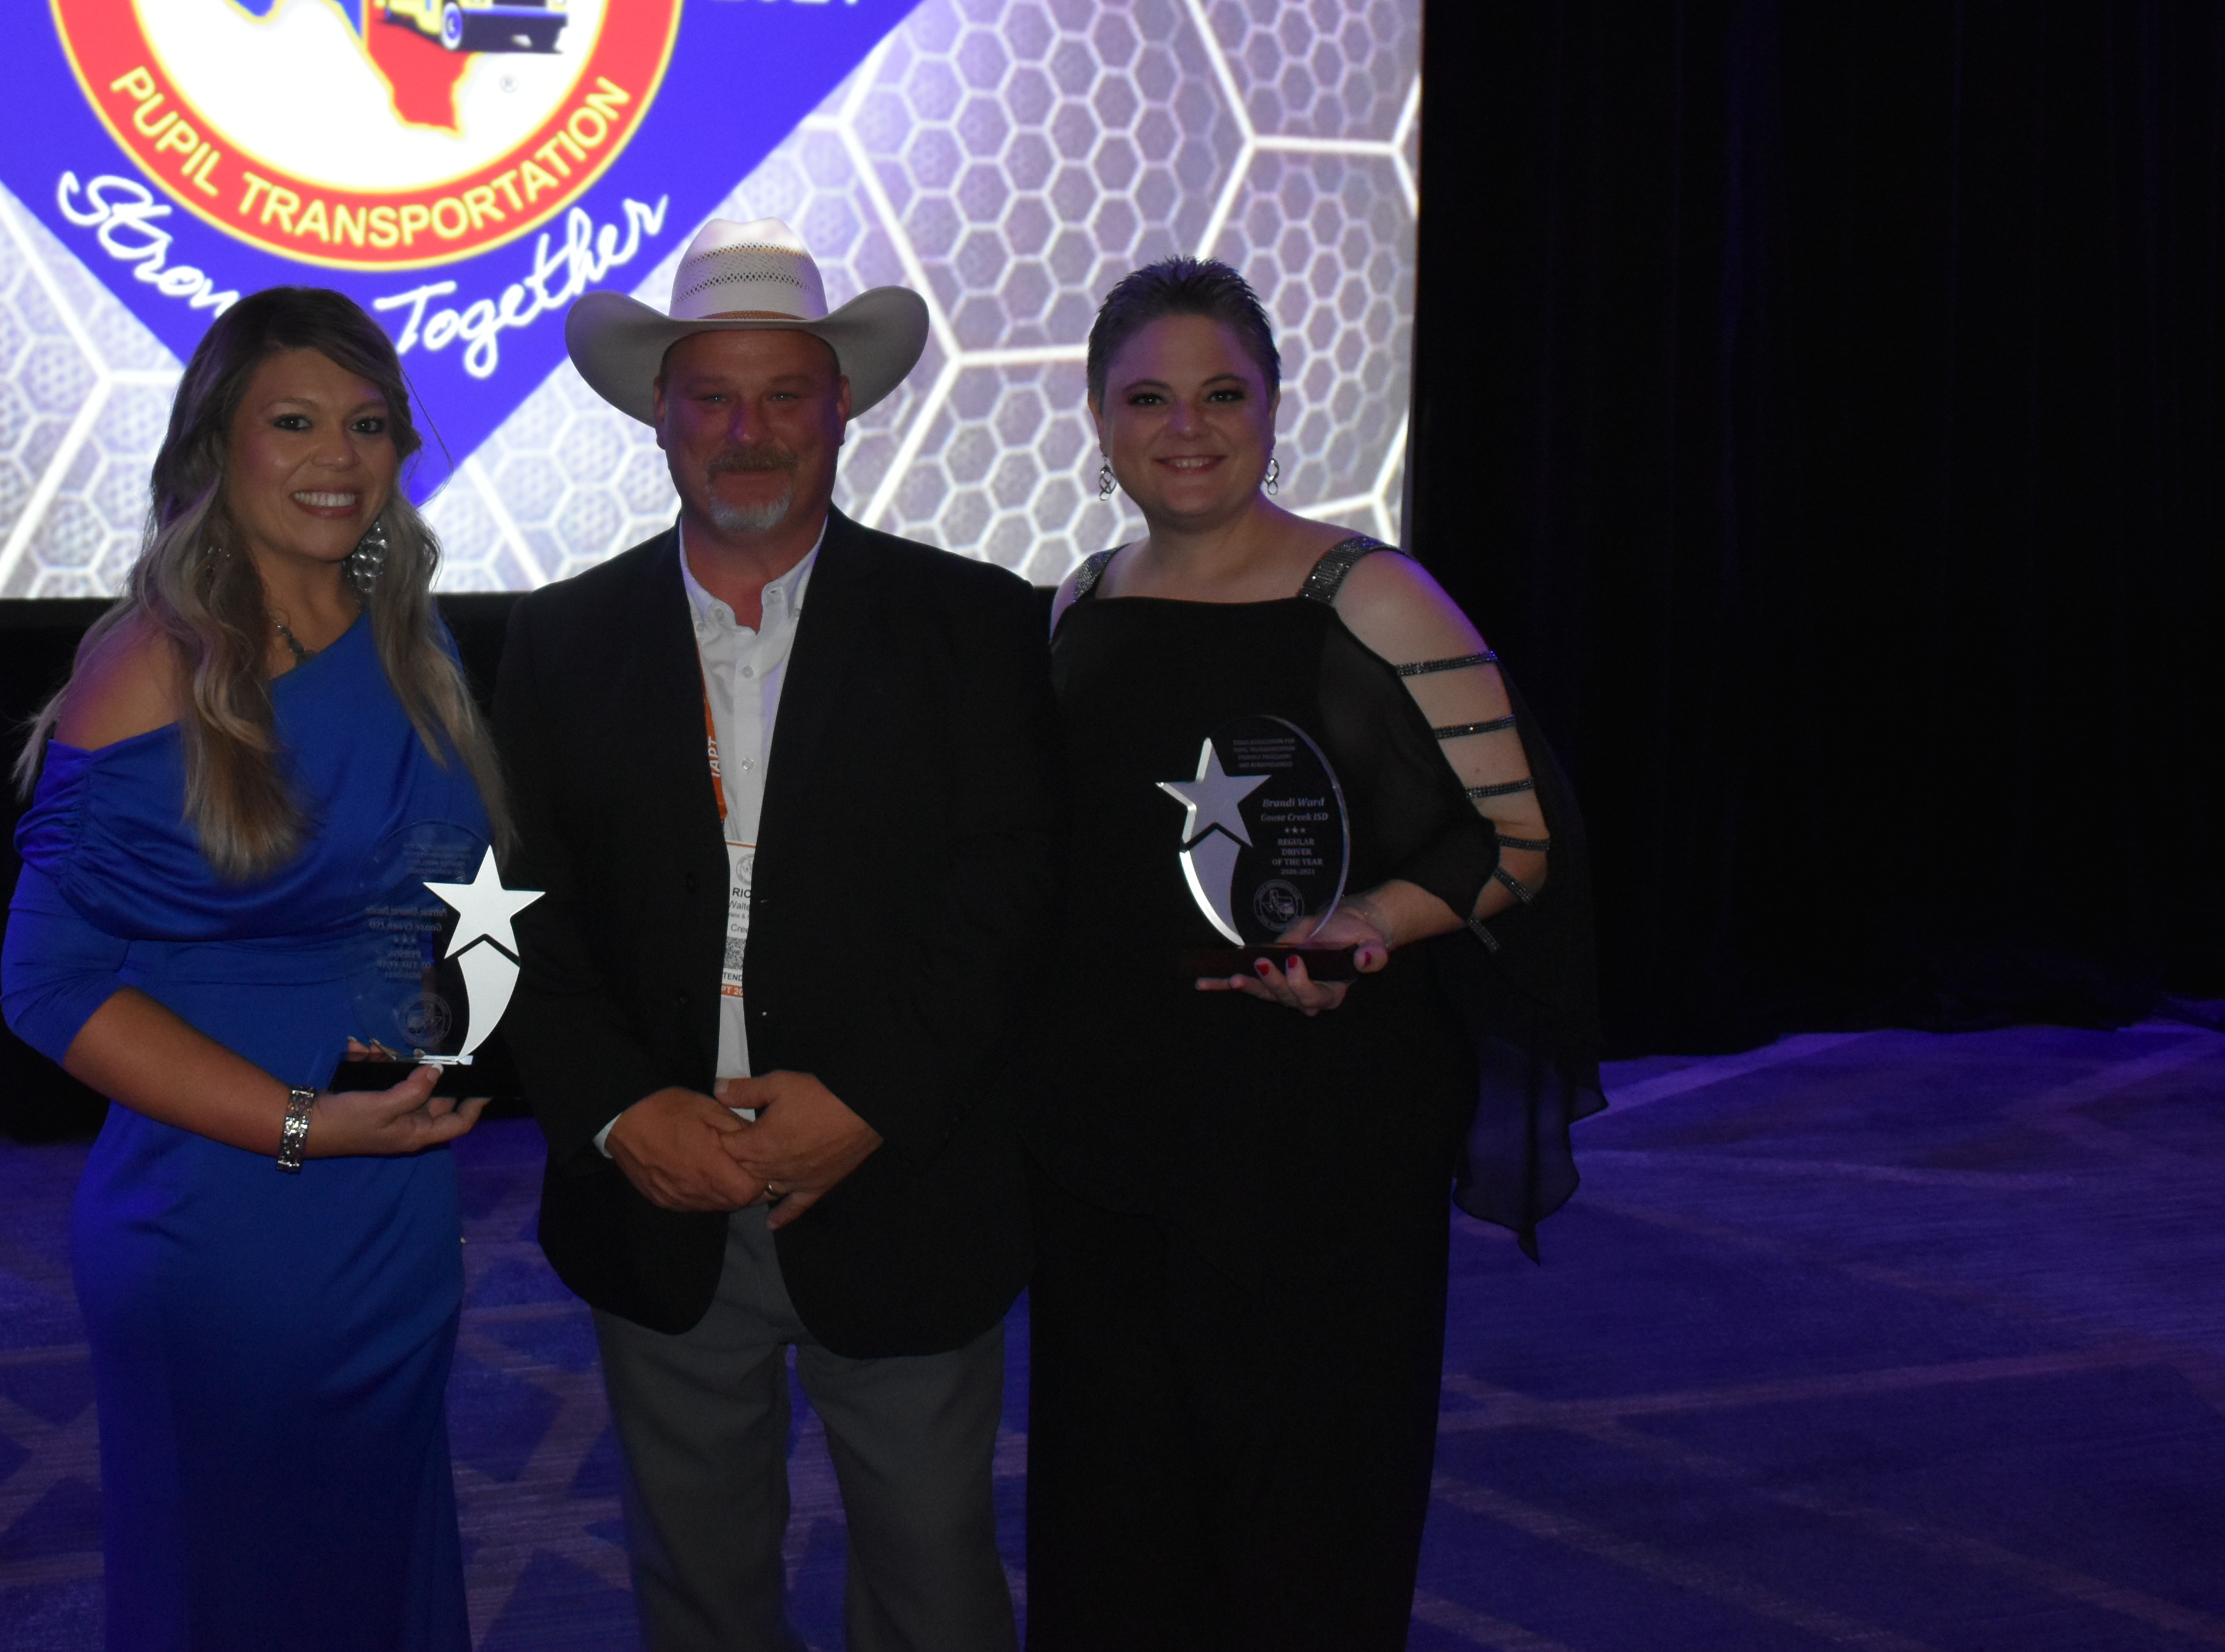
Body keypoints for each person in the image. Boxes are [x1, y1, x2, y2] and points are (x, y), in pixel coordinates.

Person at [491, 218, 1056, 1652]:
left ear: (841, 409)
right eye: (712, 396)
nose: (748, 430)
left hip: (900, 1175)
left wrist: (869, 1101)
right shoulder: (556, 641)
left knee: (936, 1580)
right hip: (658, 1187)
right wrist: (619, 1111)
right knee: (697, 1583)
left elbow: (1009, 896)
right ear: (659, 417)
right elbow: (503, 912)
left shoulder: (977, 622)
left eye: (785, 393)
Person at [1024, 256, 1605, 1652]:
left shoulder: (1372, 594)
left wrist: (1373, 921)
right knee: (1117, 1519)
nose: (1188, 425)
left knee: (1308, 1518)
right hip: (1111, 1132)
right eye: (1147, 395)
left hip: (1319, 1127)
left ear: (1276, 408)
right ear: (1098, 420)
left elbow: (1523, 839)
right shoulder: (1075, 605)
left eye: (1224, 392)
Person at [0, 287, 505, 1652]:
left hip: (389, 1203)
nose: (338, 455)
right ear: (216, 444)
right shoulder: (158, 660)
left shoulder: (408, 634)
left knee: (374, 1568)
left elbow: (442, 896)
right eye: (294, 422)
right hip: (223, 1215)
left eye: (368, 424)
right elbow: (46, 979)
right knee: (235, 1589)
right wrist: (301, 1121)